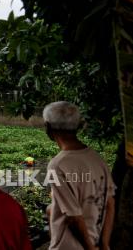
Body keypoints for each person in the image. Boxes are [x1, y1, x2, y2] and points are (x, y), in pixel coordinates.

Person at [43, 101, 115, 250]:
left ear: (48, 127)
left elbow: (73, 217)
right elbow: (110, 204)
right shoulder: (96, 158)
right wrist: (105, 244)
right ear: (77, 126)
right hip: (95, 241)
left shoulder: (57, 165)